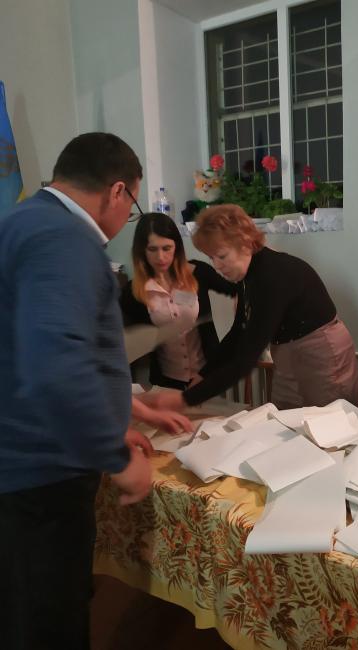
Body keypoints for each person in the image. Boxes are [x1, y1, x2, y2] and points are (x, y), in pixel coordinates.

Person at [0, 132, 152, 650]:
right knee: (49, 623)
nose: (124, 219)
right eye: (131, 205)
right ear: (117, 191)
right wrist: (115, 454)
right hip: (40, 475)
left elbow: (25, 346)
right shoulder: (65, 239)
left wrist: (118, 411)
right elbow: (55, 365)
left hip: (22, 460)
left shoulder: (22, 220)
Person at [142, 204, 358, 411]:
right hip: (286, 351)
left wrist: (184, 399)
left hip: (320, 351)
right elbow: (238, 332)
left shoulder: (271, 275)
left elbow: (245, 360)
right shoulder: (248, 275)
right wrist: (204, 374)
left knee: (331, 423)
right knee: (284, 419)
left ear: (246, 243)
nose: (216, 265)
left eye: (222, 256)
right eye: (211, 258)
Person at [120, 212, 237, 389]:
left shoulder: (198, 272)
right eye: (152, 249)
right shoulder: (133, 291)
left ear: (177, 246)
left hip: (206, 375)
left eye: (167, 248)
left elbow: (236, 290)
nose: (160, 257)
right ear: (142, 250)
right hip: (165, 382)